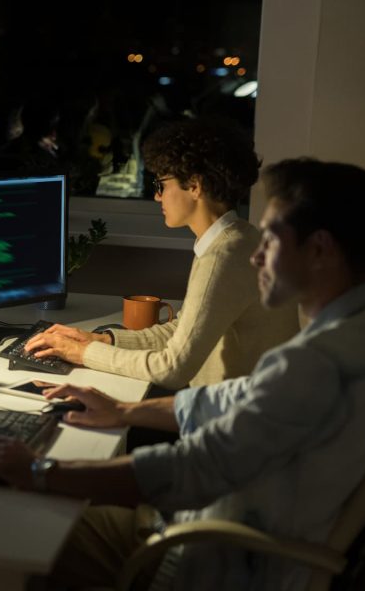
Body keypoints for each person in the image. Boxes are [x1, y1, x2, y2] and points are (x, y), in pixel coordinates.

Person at [0, 159, 365, 591]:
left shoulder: (313, 365)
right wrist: (123, 410)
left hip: (217, 559)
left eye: (272, 239)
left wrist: (38, 470)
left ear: (320, 250)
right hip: (248, 535)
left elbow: (188, 470)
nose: (258, 256)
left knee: (17, 526)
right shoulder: (357, 334)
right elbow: (234, 398)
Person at [25, 118, 299, 389]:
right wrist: (101, 340)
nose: (157, 197)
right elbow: (181, 331)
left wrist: (81, 354)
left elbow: (172, 369)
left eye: (161, 185)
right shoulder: (241, 238)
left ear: (194, 185)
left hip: (229, 423)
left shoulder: (223, 256)